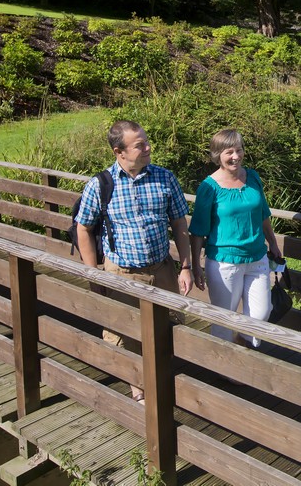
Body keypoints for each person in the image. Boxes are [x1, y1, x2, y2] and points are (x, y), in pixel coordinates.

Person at [74, 120, 193, 402]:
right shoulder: (100, 184)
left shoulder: (165, 177)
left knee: (169, 326)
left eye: (146, 141)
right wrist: (94, 274)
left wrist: (186, 266)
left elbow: (179, 224)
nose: (148, 147)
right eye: (140, 145)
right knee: (125, 333)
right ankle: (139, 391)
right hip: (122, 273)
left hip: (162, 268)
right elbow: (84, 228)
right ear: (120, 151)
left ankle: (162, 379)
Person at [189, 129, 282, 346]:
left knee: (261, 313)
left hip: (257, 258)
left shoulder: (252, 178)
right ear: (217, 155)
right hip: (224, 262)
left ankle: (241, 343)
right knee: (224, 319)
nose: (235, 157)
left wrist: (273, 243)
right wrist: (195, 266)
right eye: (229, 152)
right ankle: (224, 368)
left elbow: (263, 214)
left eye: (239, 150)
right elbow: (198, 231)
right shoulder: (209, 187)